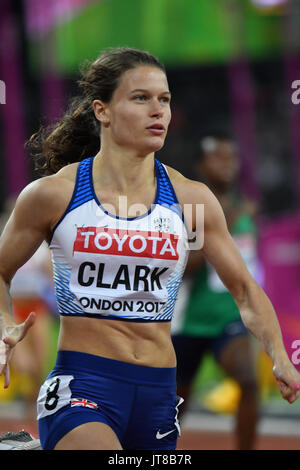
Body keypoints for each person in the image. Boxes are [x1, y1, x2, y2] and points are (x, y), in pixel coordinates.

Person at [0, 47, 299, 451]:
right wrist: (3, 325)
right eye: (141, 98)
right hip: (83, 386)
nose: (158, 111)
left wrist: (280, 355)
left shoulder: (191, 201)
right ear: (102, 111)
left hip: (157, 394)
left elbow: (245, 289)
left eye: (165, 100)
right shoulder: (54, 195)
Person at [171, 133, 260, 449]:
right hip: (189, 322)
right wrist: (223, 224)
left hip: (229, 317)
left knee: (249, 382)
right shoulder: (195, 207)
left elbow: (248, 266)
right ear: (202, 164)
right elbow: (187, 267)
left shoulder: (245, 208)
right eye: (218, 157)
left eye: (231, 157)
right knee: (175, 407)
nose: (226, 164)